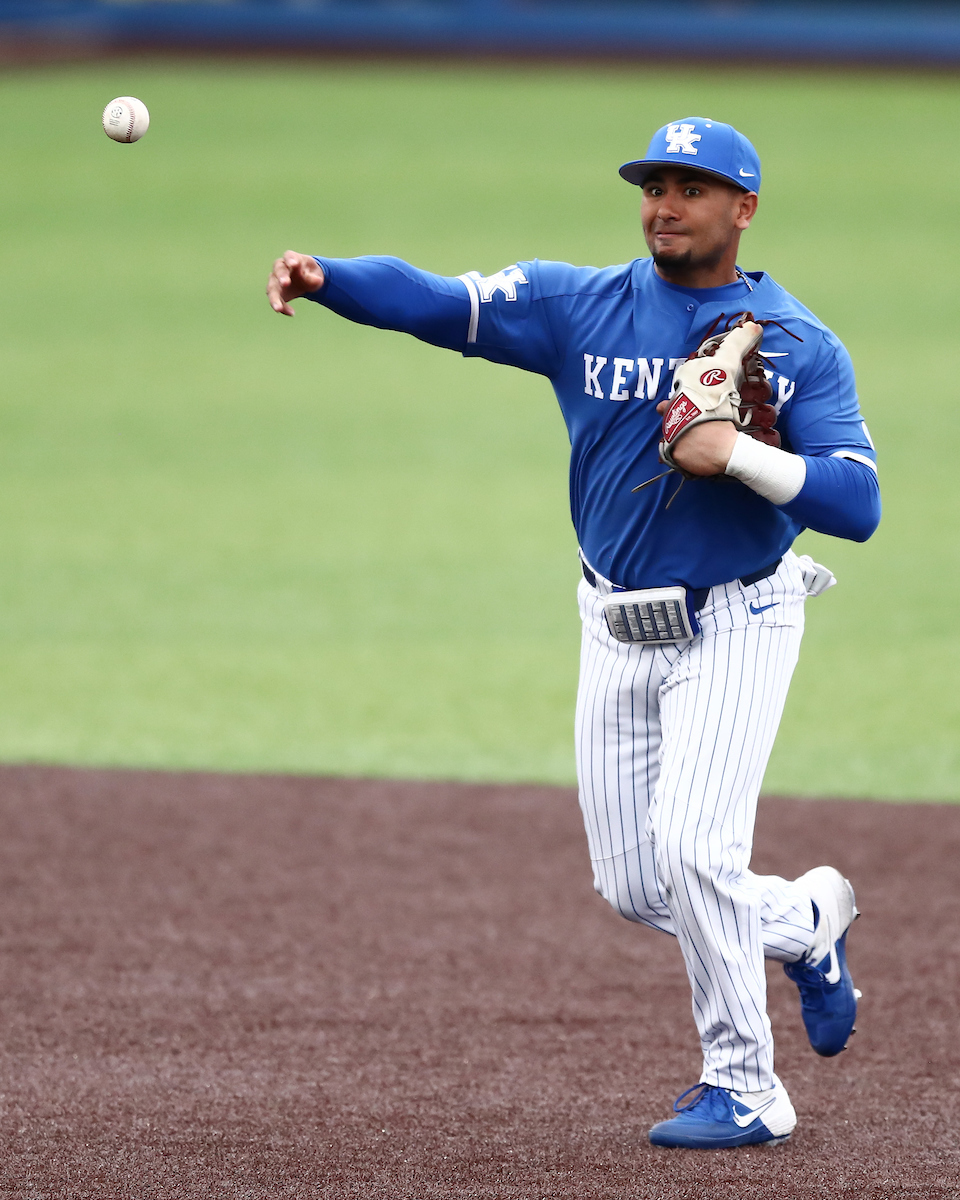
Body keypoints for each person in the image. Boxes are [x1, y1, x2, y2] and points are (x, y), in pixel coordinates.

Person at [265, 116, 880, 1149]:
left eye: (691, 187)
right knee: (638, 884)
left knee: (692, 848)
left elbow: (857, 503)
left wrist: (739, 454)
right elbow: (436, 301)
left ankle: (747, 1088)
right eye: (654, 185)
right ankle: (807, 925)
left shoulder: (797, 339)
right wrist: (328, 278)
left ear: (744, 208)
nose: (665, 205)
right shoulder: (579, 304)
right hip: (612, 624)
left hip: (740, 617)